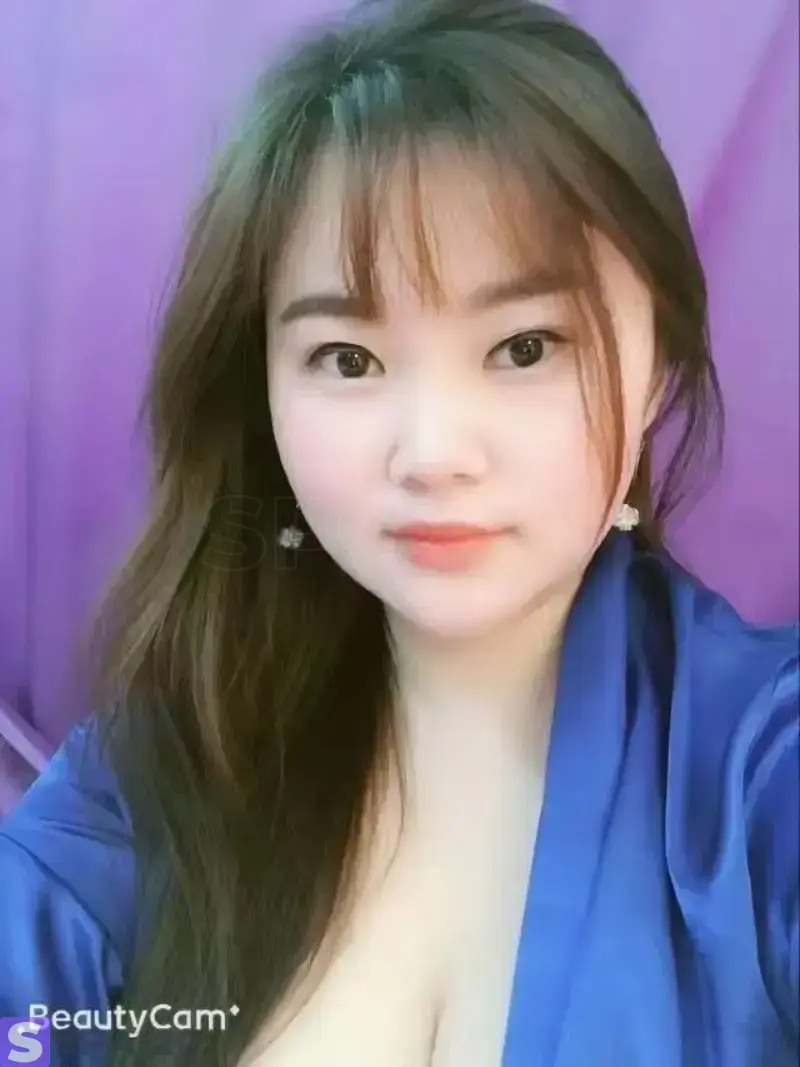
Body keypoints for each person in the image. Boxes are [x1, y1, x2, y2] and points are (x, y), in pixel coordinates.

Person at [1, 0, 798, 1064]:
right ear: (263, 391)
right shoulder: (146, 785)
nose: (431, 452)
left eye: (524, 347)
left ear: (656, 365)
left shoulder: (758, 774)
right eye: (349, 359)